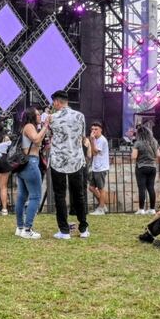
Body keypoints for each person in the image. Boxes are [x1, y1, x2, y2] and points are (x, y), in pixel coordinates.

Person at [48, 90, 89, 239]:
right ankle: (83, 229)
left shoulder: (52, 118)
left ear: (57, 102)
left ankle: (64, 231)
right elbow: (82, 136)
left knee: (60, 195)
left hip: (58, 160)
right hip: (76, 159)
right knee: (79, 194)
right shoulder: (80, 116)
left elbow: (49, 137)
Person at [14, 107, 49, 239]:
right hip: (31, 163)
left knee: (22, 196)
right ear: (32, 116)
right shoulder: (29, 126)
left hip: (24, 164)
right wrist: (45, 127)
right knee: (35, 196)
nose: (40, 116)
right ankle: (27, 229)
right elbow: (36, 140)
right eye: (38, 114)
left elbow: (37, 142)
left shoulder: (25, 127)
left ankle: (20, 227)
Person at [132, 126, 159, 215]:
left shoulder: (138, 143)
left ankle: (141, 209)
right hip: (152, 167)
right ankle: (152, 209)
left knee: (142, 188)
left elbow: (134, 156)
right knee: (151, 187)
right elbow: (158, 155)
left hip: (141, 167)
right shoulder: (154, 142)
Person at [88, 122, 110, 215]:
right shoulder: (95, 139)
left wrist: (92, 141)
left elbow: (95, 152)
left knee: (101, 188)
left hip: (101, 167)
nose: (94, 131)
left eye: (96, 129)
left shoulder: (102, 140)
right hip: (95, 166)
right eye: (92, 129)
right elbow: (92, 153)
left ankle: (101, 208)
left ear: (100, 129)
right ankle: (103, 205)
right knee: (91, 187)